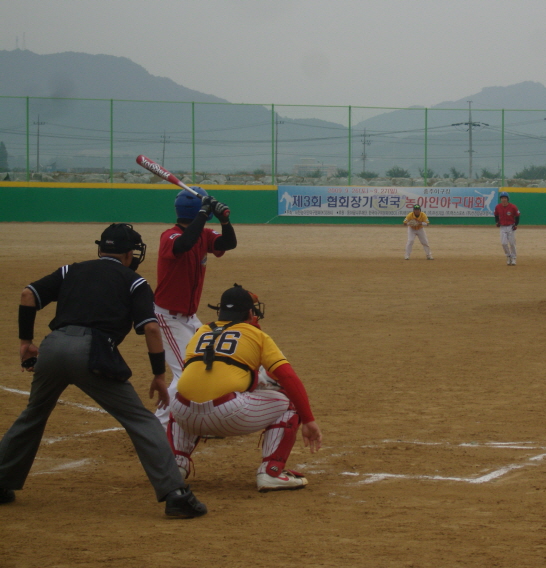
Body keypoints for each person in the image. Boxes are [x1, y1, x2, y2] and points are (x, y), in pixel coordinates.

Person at [0, 223, 206, 518]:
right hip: (93, 353)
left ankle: (1, 480)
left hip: (52, 347)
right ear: (128, 254)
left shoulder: (70, 270)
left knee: (33, 415)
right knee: (140, 421)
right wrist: (159, 375)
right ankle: (176, 495)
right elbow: (150, 327)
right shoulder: (134, 282)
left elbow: (27, 295)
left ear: (100, 249)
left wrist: (25, 343)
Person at [167, 284, 323, 492]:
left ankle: (175, 465)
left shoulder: (201, 331)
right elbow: (287, 377)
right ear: (250, 313)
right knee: (289, 403)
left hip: (184, 414)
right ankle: (271, 472)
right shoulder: (256, 335)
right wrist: (309, 420)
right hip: (227, 413)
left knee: (182, 396)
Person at [154, 188, 237, 428]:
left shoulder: (204, 233)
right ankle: (157, 427)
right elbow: (183, 244)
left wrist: (225, 220)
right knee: (185, 375)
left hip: (189, 318)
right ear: (197, 210)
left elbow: (228, 243)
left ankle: (201, 419)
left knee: (211, 361)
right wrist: (204, 212)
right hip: (167, 318)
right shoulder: (169, 236)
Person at [494, 192, 520, 265]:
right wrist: (497, 222)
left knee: (512, 243)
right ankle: (508, 256)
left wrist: (516, 224)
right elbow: (496, 215)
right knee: (503, 243)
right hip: (502, 227)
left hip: (511, 227)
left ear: (507, 199)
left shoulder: (513, 207)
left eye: (505, 198)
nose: (503, 199)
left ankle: (514, 258)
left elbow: (517, 216)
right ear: (500, 199)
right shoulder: (498, 207)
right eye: (502, 198)